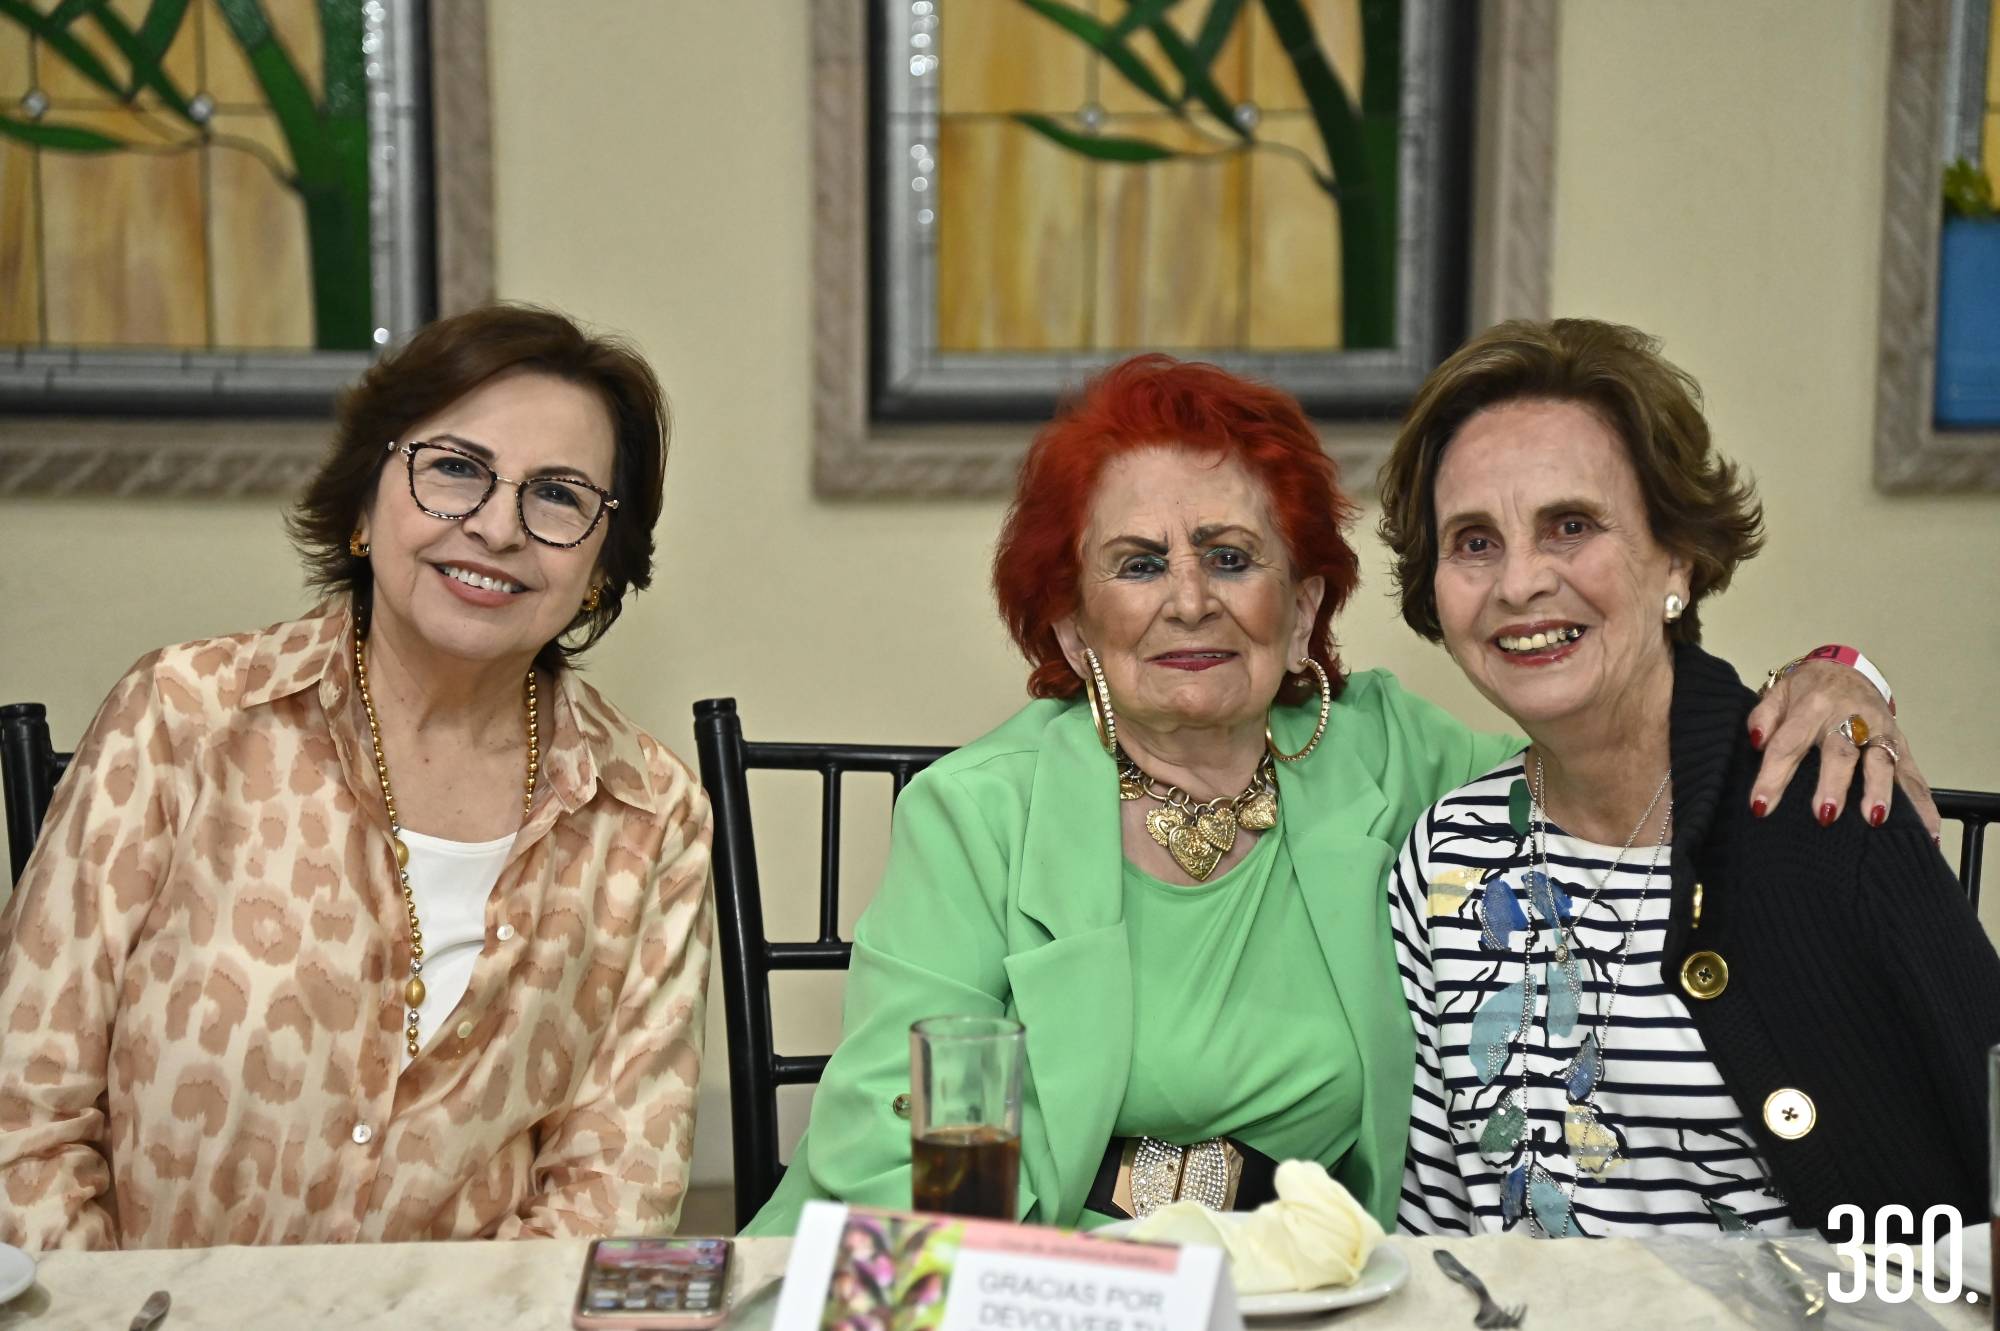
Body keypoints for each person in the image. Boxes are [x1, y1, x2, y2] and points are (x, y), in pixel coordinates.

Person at [744, 353, 1917, 1236]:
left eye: (1231, 554)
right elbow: (886, 1158)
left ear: (1303, 606)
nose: (1190, 600)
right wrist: (1112, 1262)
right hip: (1050, 1271)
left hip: (1329, 1287)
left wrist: (1837, 678)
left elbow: (1616, 760)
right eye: (1138, 563)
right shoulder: (977, 812)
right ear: (1069, 623)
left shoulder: (1387, 755)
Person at [0, 305, 715, 1250]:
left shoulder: (650, 814)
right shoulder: (185, 717)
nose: (498, 527)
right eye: (455, 468)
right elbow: (23, 1118)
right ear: (366, 505)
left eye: (559, 494)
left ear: (598, 565)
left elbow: (613, 1200)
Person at [1378, 317, 2000, 1239]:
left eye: (1571, 525)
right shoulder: (1448, 855)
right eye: (1473, 541)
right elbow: (1433, 1236)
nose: (1518, 584)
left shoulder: (1829, 805)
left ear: (1678, 555)